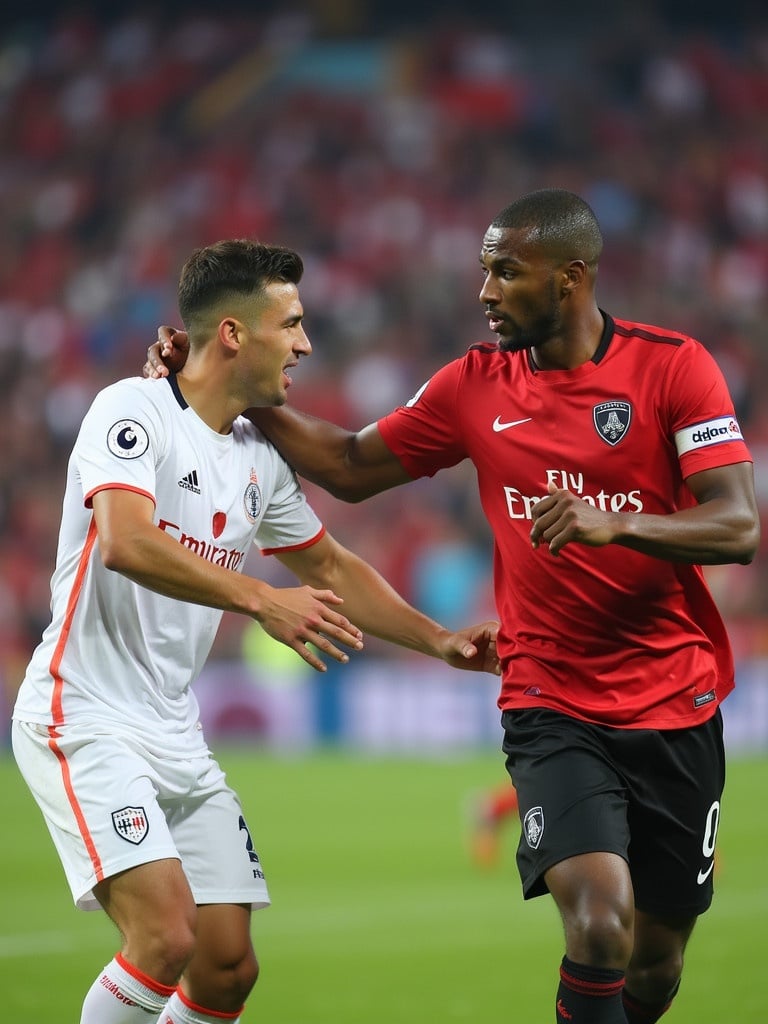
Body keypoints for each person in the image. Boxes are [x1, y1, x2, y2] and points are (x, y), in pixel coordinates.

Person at [147, 189, 760, 1024]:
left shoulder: (672, 367)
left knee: (655, 962)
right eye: (484, 271)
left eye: (507, 272)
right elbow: (354, 466)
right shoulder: (475, 385)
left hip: (677, 703)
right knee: (599, 923)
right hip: (551, 697)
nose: (485, 291)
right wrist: (234, 387)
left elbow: (737, 526)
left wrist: (616, 523)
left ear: (571, 278)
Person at [12, 239, 499, 1024]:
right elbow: (126, 543)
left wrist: (439, 641)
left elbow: (333, 568)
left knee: (228, 967)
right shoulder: (130, 410)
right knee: (164, 936)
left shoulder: (255, 457)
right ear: (234, 333)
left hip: (175, 729)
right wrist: (261, 599)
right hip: (83, 713)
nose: (306, 344)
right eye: (293, 324)